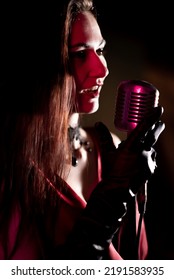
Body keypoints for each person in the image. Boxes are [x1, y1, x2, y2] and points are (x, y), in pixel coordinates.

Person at [0, 0, 165, 260]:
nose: (102, 70)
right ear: (43, 65)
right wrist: (113, 196)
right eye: (79, 53)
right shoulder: (12, 169)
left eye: (100, 50)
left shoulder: (109, 149)